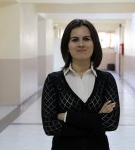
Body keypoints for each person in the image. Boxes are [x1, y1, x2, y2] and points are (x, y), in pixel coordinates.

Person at [41, 19, 120, 150]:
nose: (81, 44)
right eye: (75, 39)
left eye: (86, 39)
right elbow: (50, 127)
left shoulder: (106, 80)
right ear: (67, 45)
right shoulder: (53, 80)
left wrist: (66, 116)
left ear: (94, 43)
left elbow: (111, 123)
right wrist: (97, 118)